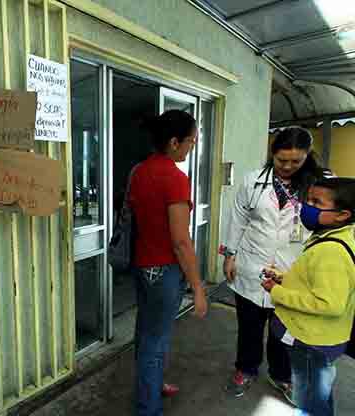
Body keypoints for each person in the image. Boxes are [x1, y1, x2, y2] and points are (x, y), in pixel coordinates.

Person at [220, 127, 327, 400]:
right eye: (282, 160)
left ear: (307, 157)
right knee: (249, 327)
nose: (288, 167)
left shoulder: (320, 185)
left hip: (292, 271)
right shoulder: (253, 180)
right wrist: (230, 255)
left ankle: (281, 375)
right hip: (251, 266)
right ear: (272, 154)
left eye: (296, 161)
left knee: (284, 330)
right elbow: (238, 219)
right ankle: (246, 369)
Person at [128, 109, 208, 416]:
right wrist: (198, 287)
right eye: (191, 141)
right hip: (163, 270)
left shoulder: (139, 171)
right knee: (156, 340)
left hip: (141, 265)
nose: (191, 147)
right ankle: (149, 408)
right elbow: (180, 241)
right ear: (174, 142)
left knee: (145, 332)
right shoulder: (175, 178)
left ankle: (152, 384)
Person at [261, 177, 355, 416]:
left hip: (312, 342)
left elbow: (330, 304)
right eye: (308, 199)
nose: (306, 206)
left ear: (342, 214)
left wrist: (277, 291)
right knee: (318, 391)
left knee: (310, 400)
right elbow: (318, 283)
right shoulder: (336, 235)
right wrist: (285, 278)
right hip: (322, 340)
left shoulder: (330, 250)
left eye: (316, 202)